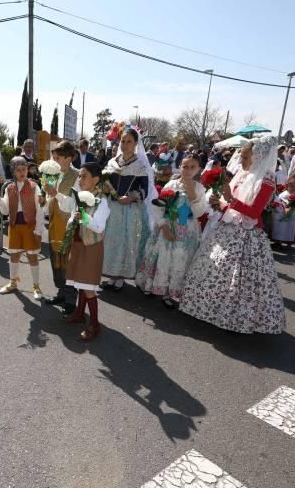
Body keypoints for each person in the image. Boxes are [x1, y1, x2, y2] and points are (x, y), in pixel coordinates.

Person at [179, 136, 286, 335]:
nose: (242, 161)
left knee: (239, 280)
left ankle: (234, 317)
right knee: (212, 269)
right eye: (242, 156)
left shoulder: (267, 180)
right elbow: (230, 205)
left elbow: (254, 212)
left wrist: (229, 199)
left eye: (246, 157)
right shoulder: (243, 175)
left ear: (259, 157)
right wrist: (219, 203)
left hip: (246, 235)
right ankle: (207, 309)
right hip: (227, 228)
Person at [135, 154, 207, 307]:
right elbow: (158, 207)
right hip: (167, 226)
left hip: (186, 231)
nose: (188, 170)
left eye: (192, 167)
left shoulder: (200, 188)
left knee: (179, 260)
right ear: (180, 167)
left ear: (198, 169)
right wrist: (164, 226)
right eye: (185, 167)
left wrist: (192, 193)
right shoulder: (171, 185)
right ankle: (151, 284)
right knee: (161, 256)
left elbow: (199, 212)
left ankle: (169, 292)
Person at [57, 163, 110, 340]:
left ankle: (94, 325)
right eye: (79, 176)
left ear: (96, 179)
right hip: (78, 245)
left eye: (84, 176)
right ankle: (79, 314)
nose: (80, 179)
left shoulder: (101, 201)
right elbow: (72, 217)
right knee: (80, 283)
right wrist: (72, 224)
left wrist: (84, 217)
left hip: (91, 247)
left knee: (88, 288)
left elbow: (99, 227)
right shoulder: (78, 197)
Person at [100, 128, 151, 291]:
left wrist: (130, 198)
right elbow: (105, 184)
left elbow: (145, 189)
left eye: (129, 141)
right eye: (123, 141)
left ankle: (121, 277)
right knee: (111, 240)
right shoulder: (112, 162)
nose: (125, 144)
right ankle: (111, 275)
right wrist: (105, 189)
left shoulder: (140, 165)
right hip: (113, 208)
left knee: (126, 241)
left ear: (136, 144)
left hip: (130, 209)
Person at [0, 156, 44, 300]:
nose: (22, 172)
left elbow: (39, 209)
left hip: (30, 226)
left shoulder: (35, 186)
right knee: (14, 255)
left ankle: (36, 286)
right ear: (13, 172)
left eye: (24, 169)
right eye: (19, 170)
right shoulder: (9, 188)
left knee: (32, 256)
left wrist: (38, 230)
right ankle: (13, 282)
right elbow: (4, 210)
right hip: (15, 226)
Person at [43, 141, 80, 314]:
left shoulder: (78, 176)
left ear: (70, 158)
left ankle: (71, 300)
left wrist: (54, 194)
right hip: (54, 224)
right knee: (55, 259)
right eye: (54, 157)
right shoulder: (52, 175)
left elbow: (77, 204)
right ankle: (61, 292)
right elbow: (48, 200)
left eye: (58, 158)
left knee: (69, 262)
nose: (54, 160)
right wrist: (43, 201)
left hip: (69, 225)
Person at [270, 173, 295, 249]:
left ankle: (289, 242)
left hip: (292, 215)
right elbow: (278, 202)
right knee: (280, 228)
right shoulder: (283, 194)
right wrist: (279, 206)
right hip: (282, 214)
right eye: (291, 186)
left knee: (290, 228)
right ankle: (278, 241)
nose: (293, 188)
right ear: (287, 185)